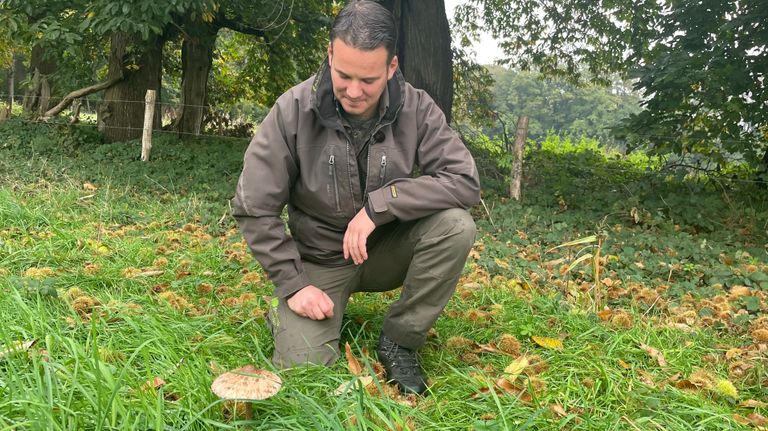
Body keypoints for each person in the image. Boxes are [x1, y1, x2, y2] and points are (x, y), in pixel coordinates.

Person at [231, 0, 480, 395]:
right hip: (321, 260)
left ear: (391, 67)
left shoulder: (417, 108)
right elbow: (252, 206)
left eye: (368, 80)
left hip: (386, 249)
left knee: (456, 226)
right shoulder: (292, 110)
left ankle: (400, 340)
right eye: (343, 75)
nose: (353, 91)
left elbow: (464, 181)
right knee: (304, 371)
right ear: (329, 54)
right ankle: (288, 314)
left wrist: (381, 206)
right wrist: (293, 285)